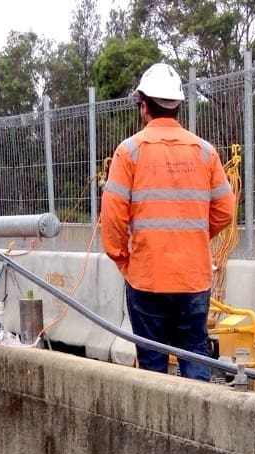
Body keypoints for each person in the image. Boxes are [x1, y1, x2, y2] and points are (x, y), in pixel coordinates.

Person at [99, 62, 234, 379]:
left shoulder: (129, 152)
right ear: (177, 106)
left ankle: (154, 427)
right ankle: (197, 426)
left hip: (146, 276)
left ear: (143, 105)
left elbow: (113, 219)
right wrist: (196, 237)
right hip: (193, 277)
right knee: (195, 354)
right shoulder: (205, 152)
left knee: (152, 366)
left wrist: (124, 260)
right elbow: (225, 211)